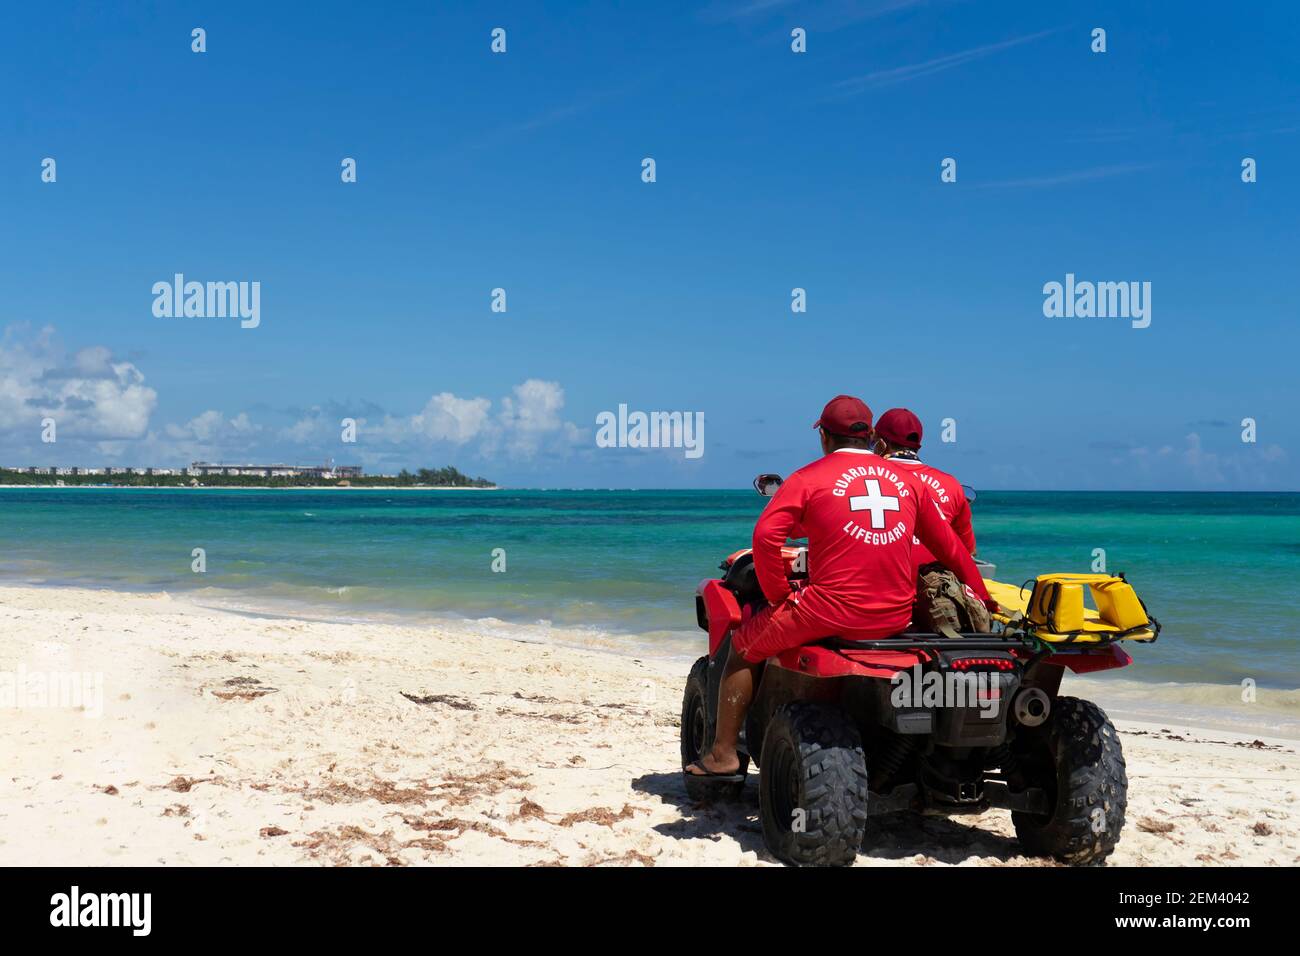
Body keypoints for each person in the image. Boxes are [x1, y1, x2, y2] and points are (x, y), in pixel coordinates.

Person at [685, 395, 997, 779]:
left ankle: (723, 755)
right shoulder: (909, 484)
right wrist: (981, 595)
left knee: (742, 648)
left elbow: (766, 537)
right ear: (870, 437)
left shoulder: (808, 478)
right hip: (894, 616)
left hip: (826, 612)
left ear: (824, 437)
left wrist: (780, 596)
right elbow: (951, 547)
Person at [872, 407, 987, 635]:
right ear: (918, 445)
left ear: (881, 444)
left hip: (883, 601)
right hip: (937, 602)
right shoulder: (951, 484)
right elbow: (966, 552)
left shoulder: (870, 477)